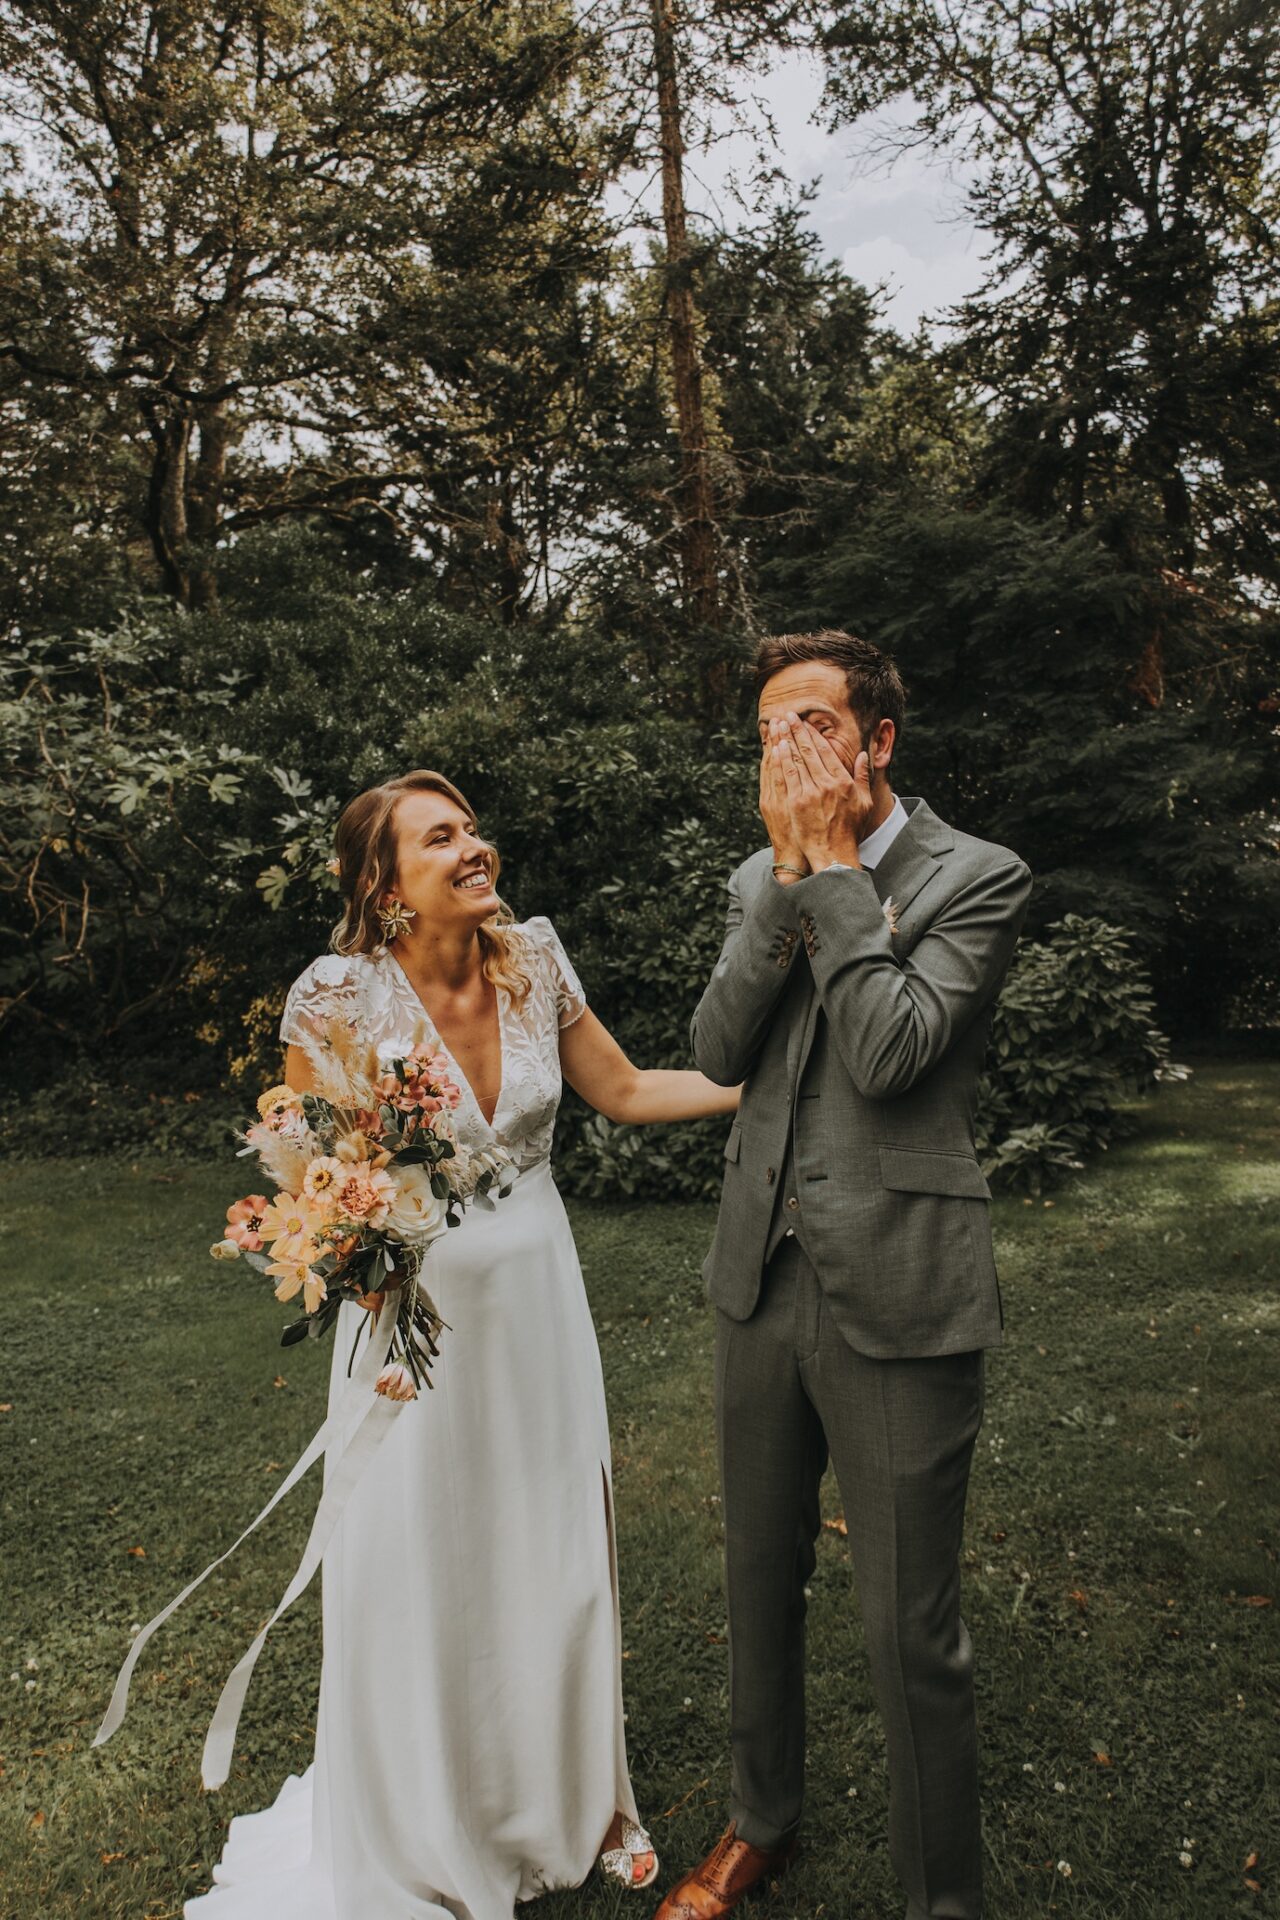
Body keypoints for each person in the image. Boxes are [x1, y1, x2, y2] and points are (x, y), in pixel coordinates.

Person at [187, 768, 739, 1920]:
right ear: (386, 885)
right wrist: (355, 1248)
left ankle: (565, 1806)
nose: (473, 847)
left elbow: (627, 1090)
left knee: (549, 1544)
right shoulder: (337, 994)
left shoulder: (531, 959)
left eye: (474, 828)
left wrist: (765, 1085)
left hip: (536, 1302)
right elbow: (310, 1175)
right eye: (441, 838)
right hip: (407, 1324)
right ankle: (425, 1823)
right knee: (416, 1557)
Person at [655, 631, 1032, 1920]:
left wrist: (825, 878)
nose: (784, 752)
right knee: (758, 1578)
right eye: (765, 732)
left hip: (903, 1284)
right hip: (755, 1276)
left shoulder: (975, 875)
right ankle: (759, 1821)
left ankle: (941, 1903)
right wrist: (780, 879)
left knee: (904, 1629)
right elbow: (715, 1050)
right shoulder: (749, 876)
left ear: (876, 742)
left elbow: (889, 1055)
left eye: (810, 725)